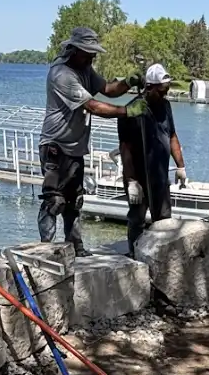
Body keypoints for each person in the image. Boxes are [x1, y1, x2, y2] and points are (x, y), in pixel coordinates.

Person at [39, 26, 137, 253]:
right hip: (55, 146)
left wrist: (128, 82)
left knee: (75, 201)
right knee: (54, 201)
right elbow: (93, 106)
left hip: (75, 148)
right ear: (75, 50)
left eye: (94, 53)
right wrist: (127, 111)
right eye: (88, 53)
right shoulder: (62, 74)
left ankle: (76, 248)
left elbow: (108, 89)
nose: (92, 57)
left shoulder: (85, 69)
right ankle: (45, 250)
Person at [116, 62, 187, 253]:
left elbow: (172, 135)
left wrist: (180, 166)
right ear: (149, 87)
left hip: (160, 175)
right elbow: (125, 147)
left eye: (166, 91)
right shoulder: (132, 111)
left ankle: (162, 256)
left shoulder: (166, 106)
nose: (164, 95)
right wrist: (131, 181)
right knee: (137, 218)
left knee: (164, 220)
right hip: (138, 177)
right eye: (161, 91)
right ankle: (134, 253)